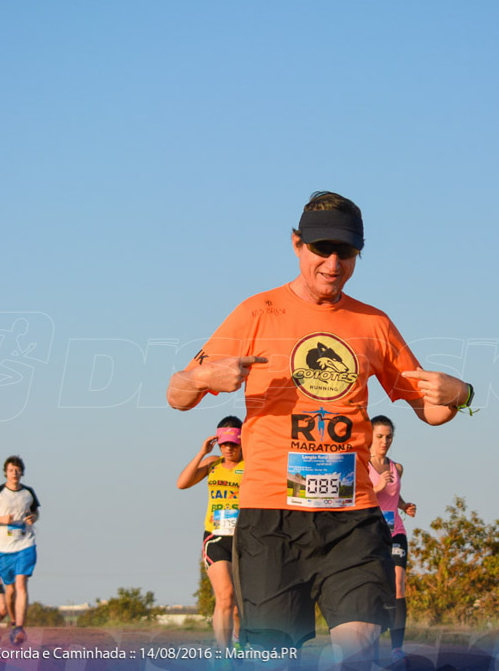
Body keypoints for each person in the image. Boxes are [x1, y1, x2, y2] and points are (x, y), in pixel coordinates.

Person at [167, 191, 475, 667]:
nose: (333, 263)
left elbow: (430, 410)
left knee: (362, 649)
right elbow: (177, 393)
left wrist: (462, 394)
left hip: (350, 519)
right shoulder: (257, 312)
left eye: (346, 253)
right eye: (321, 249)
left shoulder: (373, 323)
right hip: (271, 519)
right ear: (296, 244)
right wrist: (205, 378)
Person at [176, 416, 245, 651]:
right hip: (215, 537)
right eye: (224, 443)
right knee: (225, 597)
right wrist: (201, 453)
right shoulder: (212, 463)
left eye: (233, 444)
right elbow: (182, 483)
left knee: (239, 607)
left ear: (242, 441)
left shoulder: (251, 465)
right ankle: (223, 655)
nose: (228, 448)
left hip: (244, 540)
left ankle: (237, 642)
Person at [367, 415, 416, 663]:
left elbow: (394, 496)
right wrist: (375, 488)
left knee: (398, 584)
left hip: (395, 532)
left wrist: (405, 506)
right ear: (370, 436)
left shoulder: (397, 468)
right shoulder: (361, 466)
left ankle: (397, 648)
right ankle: (373, 640)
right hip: (371, 533)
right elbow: (357, 497)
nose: (384, 441)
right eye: (379, 436)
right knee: (375, 588)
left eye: (388, 437)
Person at [0, 455, 40, 645]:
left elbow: (36, 511)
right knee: (10, 590)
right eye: (11, 470)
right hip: (3, 549)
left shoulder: (29, 492)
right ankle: (13, 622)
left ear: (22, 472)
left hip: (25, 544)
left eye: (18, 470)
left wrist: (33, 518)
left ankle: (19, 628)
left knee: (21, 584)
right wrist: (0, 520)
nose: (14, 473)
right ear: (6, 472)